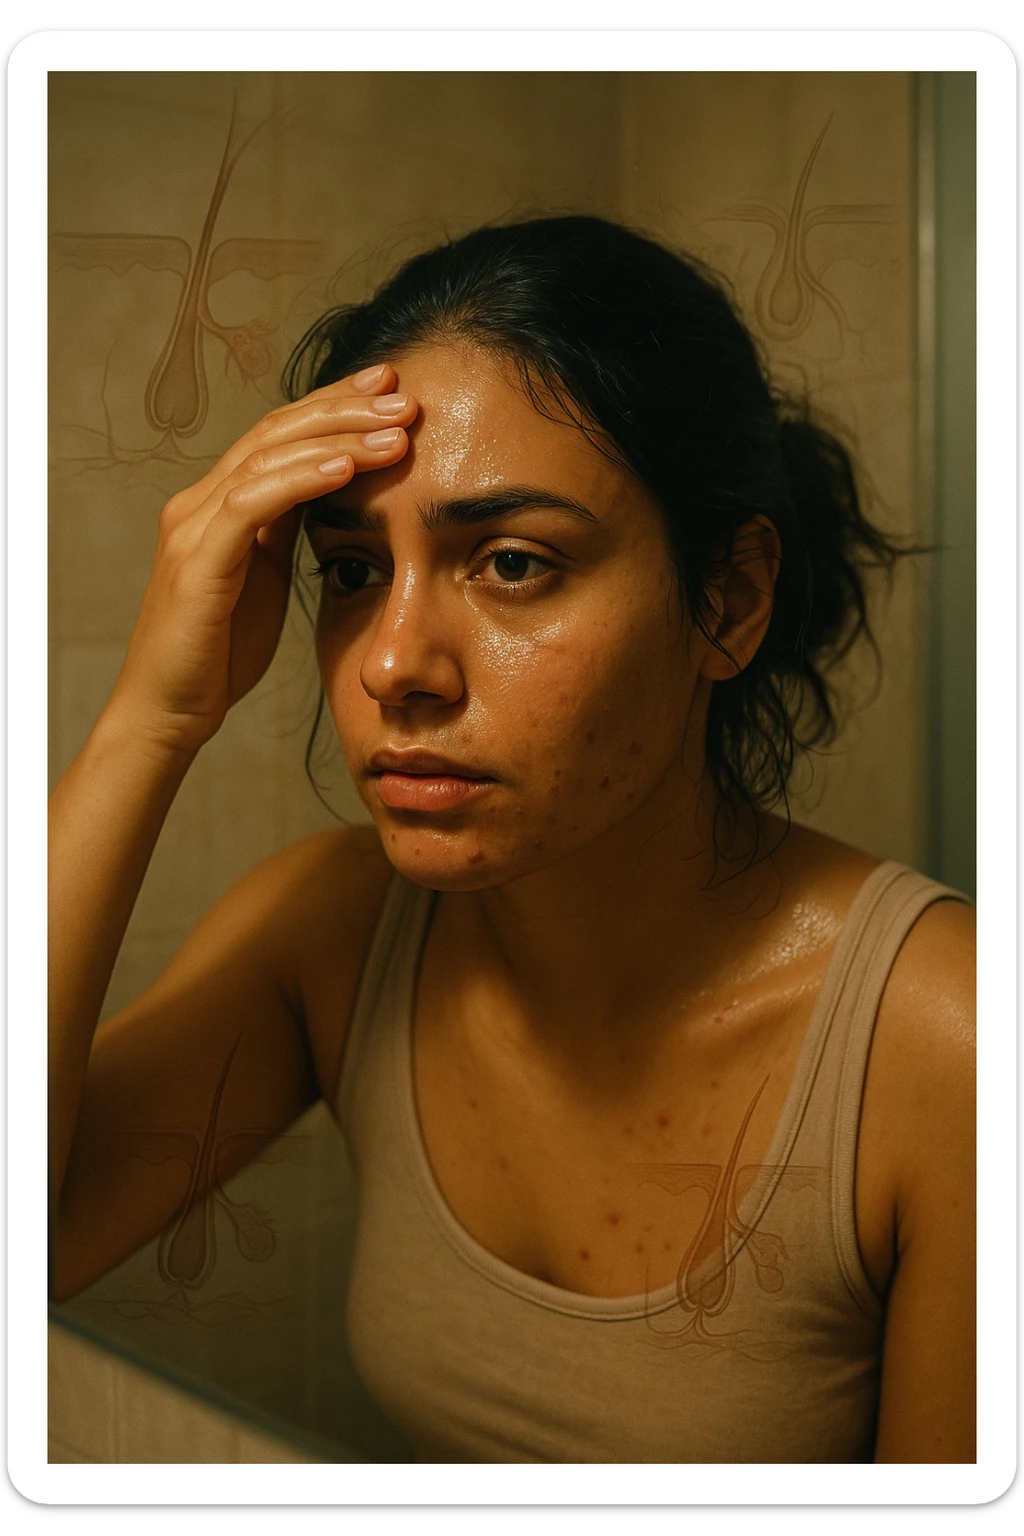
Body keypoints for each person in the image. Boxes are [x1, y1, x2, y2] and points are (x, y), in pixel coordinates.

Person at [49, 215, 975, 1464]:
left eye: (516, 564)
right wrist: (147, 725)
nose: (392, 667)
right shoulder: (334, 933)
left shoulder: (946, 1047)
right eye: (355, 571)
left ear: (729, 598)